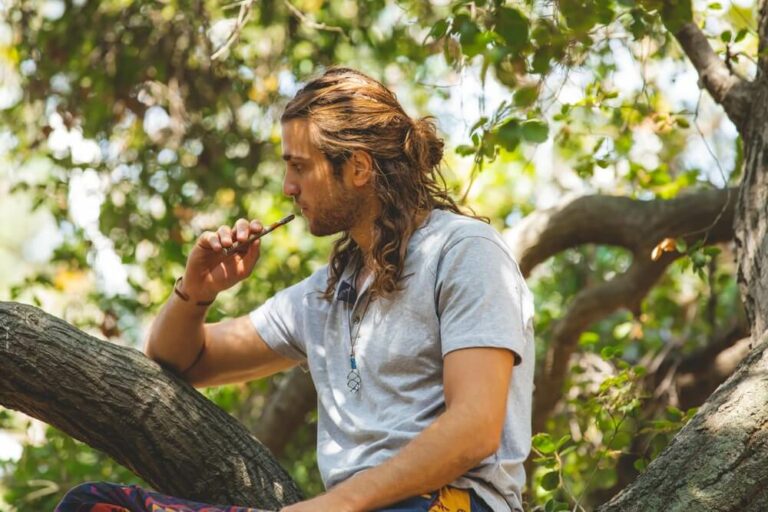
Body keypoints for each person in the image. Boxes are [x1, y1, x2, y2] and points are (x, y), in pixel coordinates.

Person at [55, 67, 534, 512]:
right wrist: (196, 290)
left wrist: (334, 504)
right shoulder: (325, 293)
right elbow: (181, 360)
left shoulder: (463, 251)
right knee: (94, 505)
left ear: (359, 168)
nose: (288, 187)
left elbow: (475, 428)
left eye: (299, 166)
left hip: (450, 503)